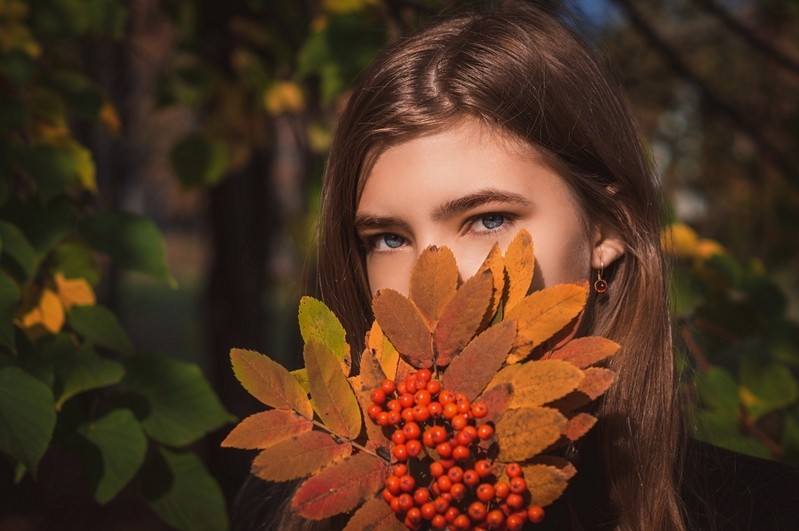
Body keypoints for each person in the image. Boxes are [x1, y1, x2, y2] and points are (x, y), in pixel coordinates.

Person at [232, 2, 799, 530]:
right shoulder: (285, 509)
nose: (432, 279)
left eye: (488, 219)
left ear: (611, 228)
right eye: (387, 237)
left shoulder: (763, 509)